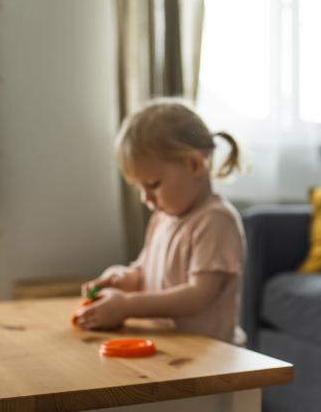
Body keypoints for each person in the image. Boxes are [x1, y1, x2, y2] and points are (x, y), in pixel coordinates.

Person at [75, 99, 247, 345]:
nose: (146, 198)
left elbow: (198, 296)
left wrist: (126, 306)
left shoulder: (216, 221)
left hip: (212, 360)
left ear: (194, 164)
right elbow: (145, 272)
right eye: (139, 188)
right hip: (169, 351)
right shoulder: (163, 218)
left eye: (153, 184)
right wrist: (124, 278)